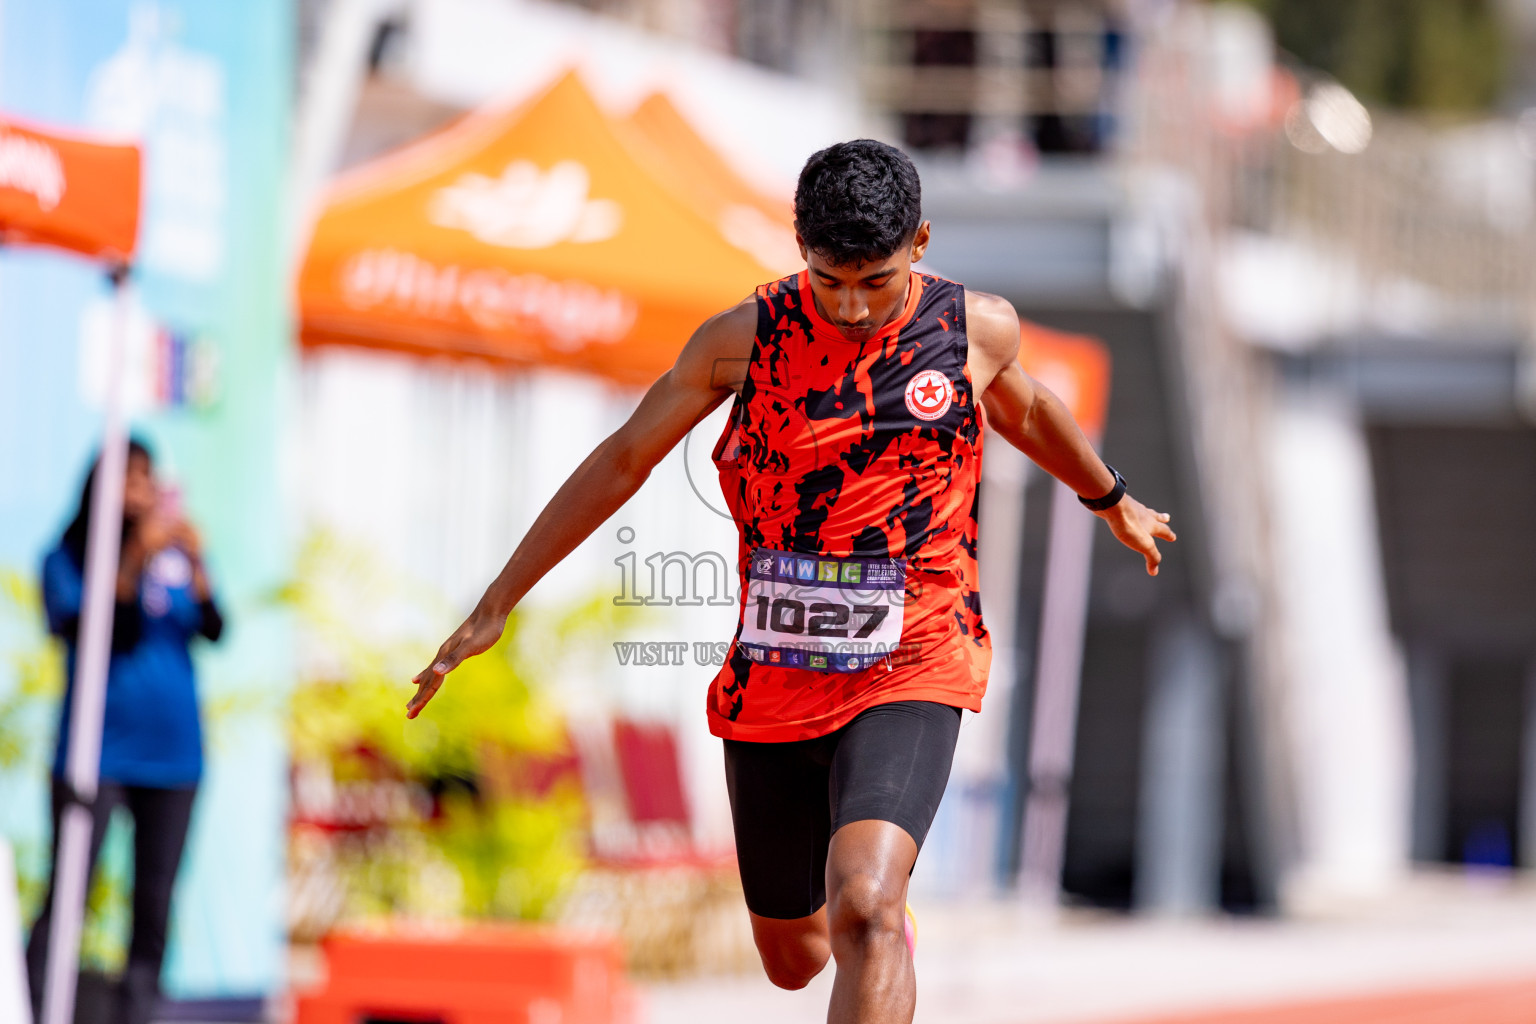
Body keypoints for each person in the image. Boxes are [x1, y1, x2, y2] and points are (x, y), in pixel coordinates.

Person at [407, 140, 1175, 1022]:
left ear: (919, 243)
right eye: (828, 279)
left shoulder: (973, 330)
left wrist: (1109, 497)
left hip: (916, 652)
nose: (850, 306)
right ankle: (880, 934)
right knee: (793, 957)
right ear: (797, 244)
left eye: (875, 283)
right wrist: (496, 602)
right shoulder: (742, 340)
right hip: (775, 678)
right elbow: (623, 461)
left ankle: (884, 924)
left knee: (866, 905)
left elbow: (1030, 406)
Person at [27, 439, 224, 1024]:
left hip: (175, 759)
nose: (138, 490)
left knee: (155, 905)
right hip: (96, 756)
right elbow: (94, 629)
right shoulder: (67, 557)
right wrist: (133, 557)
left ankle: (138, 1015)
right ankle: (39, 1008)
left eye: (146, 478)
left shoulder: (174, 559)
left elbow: (214, 627)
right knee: (69, 897)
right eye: (126, 478)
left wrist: (197, 562)